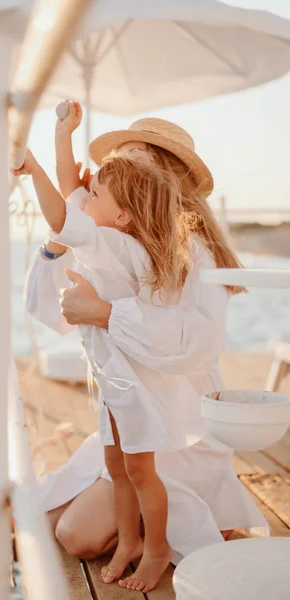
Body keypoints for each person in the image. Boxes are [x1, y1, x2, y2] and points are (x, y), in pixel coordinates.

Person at [20, 103, 269, 586]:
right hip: (125, 398)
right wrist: (65, 146)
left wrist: (106, 313)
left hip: (176, 421)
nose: (117, 167)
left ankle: (155, 540)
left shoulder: (186, 250)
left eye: (132, 158)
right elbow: (70, 198)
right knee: (50, 520)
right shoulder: (122, 232)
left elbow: (190, 342)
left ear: (160, 176)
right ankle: (130, 531)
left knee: (76, 535)